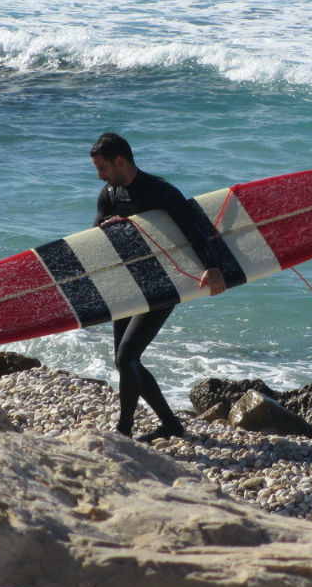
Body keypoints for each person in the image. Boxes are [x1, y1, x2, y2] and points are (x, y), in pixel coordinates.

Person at [90, 132, 226, 442]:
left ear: (120, 160)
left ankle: (127, 430)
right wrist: (108, 228)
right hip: (127, 282)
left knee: (127, 357)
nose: (100, 176)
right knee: (126, 359)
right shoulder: (109, 194)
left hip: (164, 282)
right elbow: (94, 236)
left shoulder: (160, 191)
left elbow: (195, 231)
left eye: (103, 168)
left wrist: (213, 268)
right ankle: (164, 425)